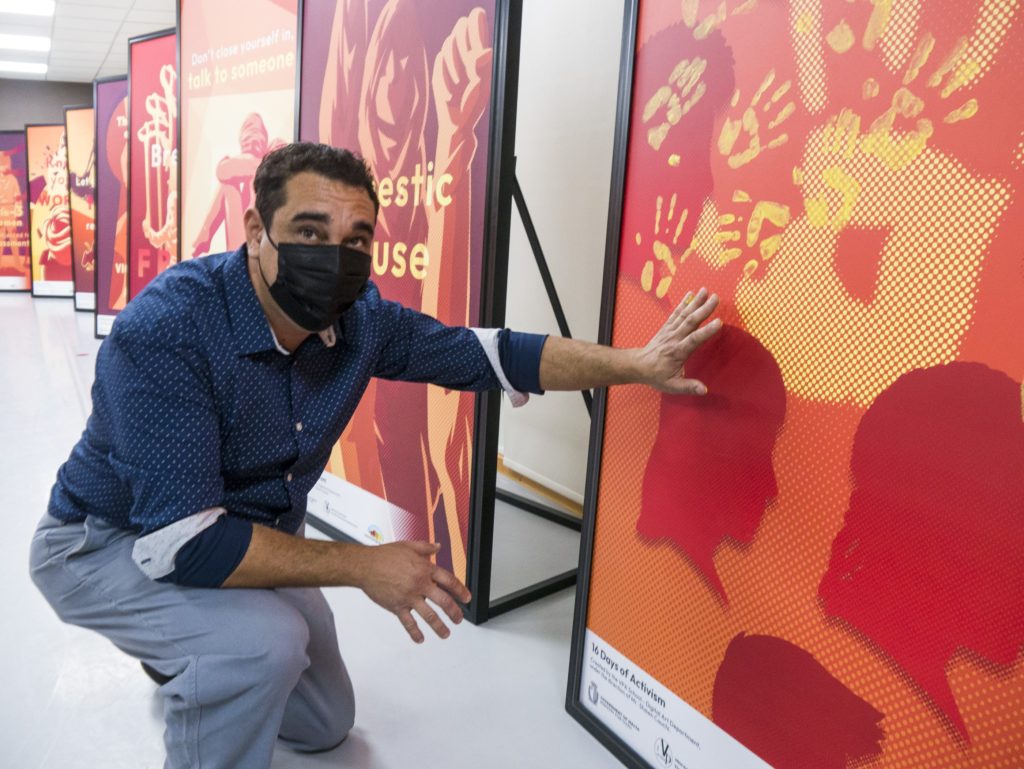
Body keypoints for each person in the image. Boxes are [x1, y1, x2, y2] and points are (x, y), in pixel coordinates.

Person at [29, 142, 721, 769]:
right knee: (262, 648)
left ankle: (186, 649)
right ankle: (193, 652)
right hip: (108, 541)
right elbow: (181, 543)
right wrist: (365, 565)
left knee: (326, 723)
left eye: (355, 239)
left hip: (242, 529)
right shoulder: (168, 329)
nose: (334, 257)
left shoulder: (361, 320)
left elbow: (492, 354)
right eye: (309, 232)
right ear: (255, 231)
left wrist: (637, 363)